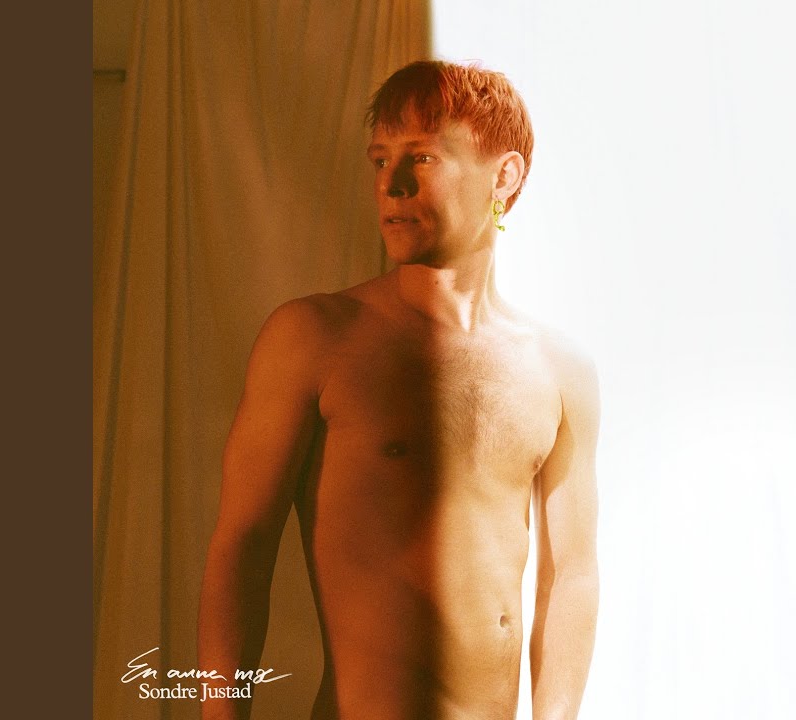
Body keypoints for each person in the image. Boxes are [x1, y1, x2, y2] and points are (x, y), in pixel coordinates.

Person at [198, 60, 599, 720]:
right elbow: (244, 546)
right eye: (381, 159)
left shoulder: (559, 370)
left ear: (505, 177)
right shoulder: (316, 337)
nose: (393, 182)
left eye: (424, 156)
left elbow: (572, 575)